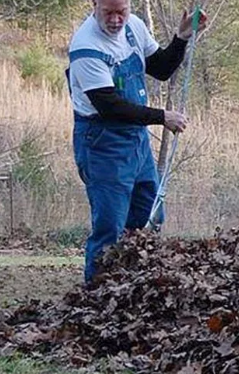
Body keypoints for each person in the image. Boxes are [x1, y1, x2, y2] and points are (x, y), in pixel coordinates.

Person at [66, 0, 210, 283]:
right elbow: (110, 106)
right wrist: (162, 117)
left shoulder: (135, 27)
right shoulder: (86, 47)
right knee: (109, 226)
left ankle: (131, 285)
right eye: (108, 12)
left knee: (149, 213)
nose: (117, 20)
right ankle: (96, 296)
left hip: (135, 137)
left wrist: (180, 39)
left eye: (122, 11)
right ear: (94, 5)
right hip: (102, 141)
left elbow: (161, 68)